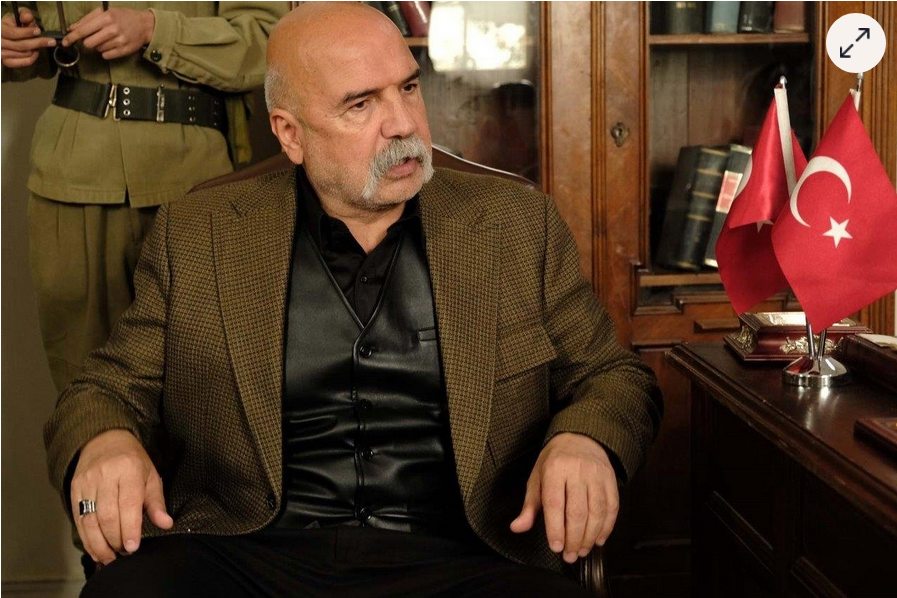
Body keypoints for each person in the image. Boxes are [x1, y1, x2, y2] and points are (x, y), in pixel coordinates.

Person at [43, 3, 663, 596]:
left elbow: (613, 377)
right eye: (361, 104)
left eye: (409, 88)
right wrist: (105, 441)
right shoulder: (200, 233)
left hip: (463, 559)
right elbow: (102, 389)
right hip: (247, 557)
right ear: (290, 134)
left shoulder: (514, 224)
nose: (403, 124)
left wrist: (584, 439)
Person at [0, 1, 287, 393]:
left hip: (194, 182)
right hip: (73, 179)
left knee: (208, 390)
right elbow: (26, 27)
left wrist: (155, 30)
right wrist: (11, 42)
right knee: (84, 390)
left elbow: (274, 42)